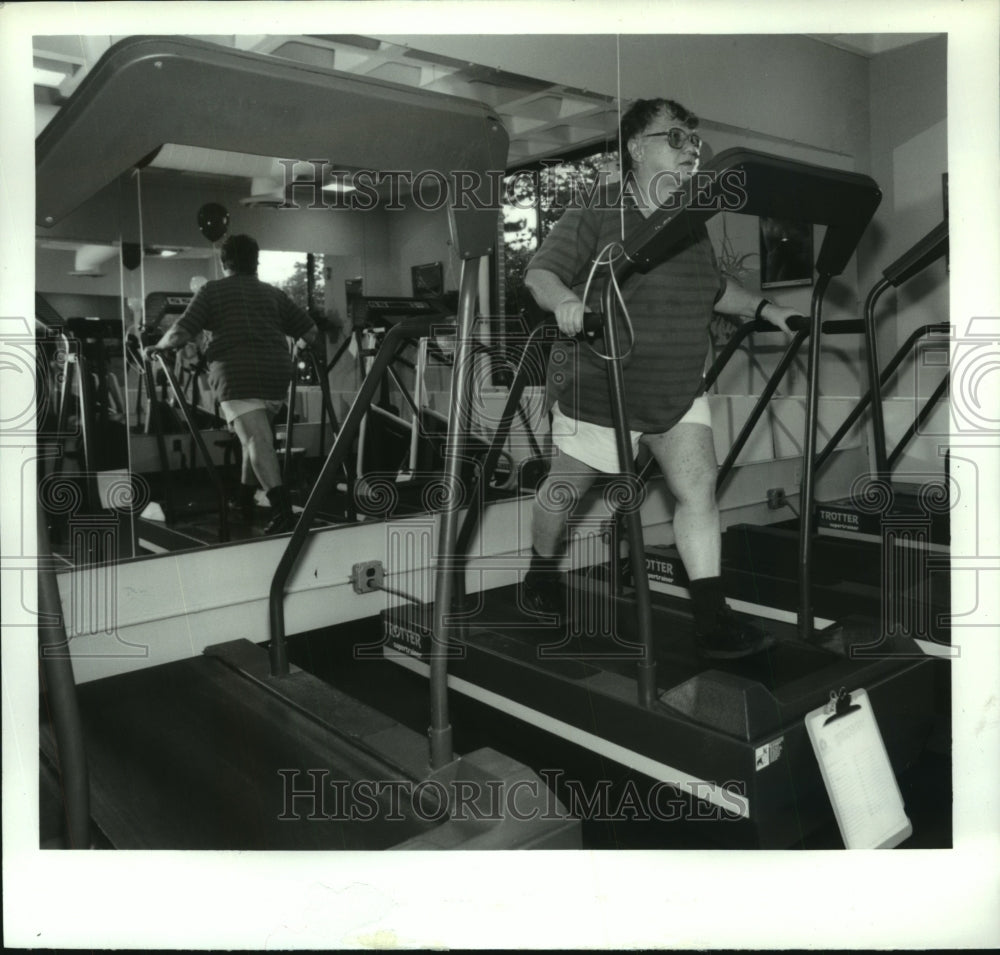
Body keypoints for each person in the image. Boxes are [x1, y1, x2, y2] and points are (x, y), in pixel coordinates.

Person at [522, 98, 801, 660]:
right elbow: (540, 272)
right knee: (564, 492)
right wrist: (568, 301)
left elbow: (717, 288)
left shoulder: (689, 221)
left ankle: (711, 617)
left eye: (692, 140)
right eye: (674, 137)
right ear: (635, 147)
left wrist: (772, 311)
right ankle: (541, 570)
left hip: (676, 390)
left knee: (698, 489)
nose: (688, 150)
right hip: (604, 389)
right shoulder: (600, 205)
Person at [145, 233, 318, 535]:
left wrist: (156, 348)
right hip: (276, 373)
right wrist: (297, 348)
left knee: (256, 441)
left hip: (237, 374)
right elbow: (311, 331)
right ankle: (243, 498)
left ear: (224, 263)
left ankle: (282, 511)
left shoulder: (213, 291)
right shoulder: (272, 294)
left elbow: (180, 333)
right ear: (256, 262)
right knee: (252, 438)